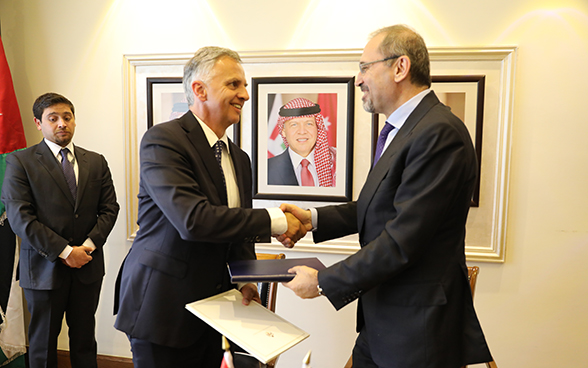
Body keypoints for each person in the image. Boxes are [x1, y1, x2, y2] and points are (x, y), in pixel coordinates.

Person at [279, 25, 493, 368]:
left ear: (400, 67)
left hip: (416, 332)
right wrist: (313, 219)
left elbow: (401, 240)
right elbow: (379, 206)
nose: (358, 80)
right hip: (384, 323)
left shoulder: (438, 133)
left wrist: (323, 281)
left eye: (365, 67)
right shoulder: (406, 129)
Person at [113, 46, 306, 368]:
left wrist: (245, 281)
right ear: (198, 90)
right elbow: (194, 220)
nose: (245, 94)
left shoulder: (240, 159)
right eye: (233, 85)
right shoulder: (164, 141)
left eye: (244, 86)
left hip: (216, 313)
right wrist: (278, 220)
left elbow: (237, 232)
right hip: (163, 309)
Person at [1, 92, 119, 368]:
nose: (61, 123)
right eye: (52, 118)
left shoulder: (96, 161)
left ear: (74, 121)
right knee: (42, 345)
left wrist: (86, 247)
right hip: (43, 269)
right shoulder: (21, 161)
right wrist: (65, 252)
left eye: (67, 117)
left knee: (84, 341)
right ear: (38, 123)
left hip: (87, 267)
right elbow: (20, 217)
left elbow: (110, 209)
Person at [268, 97, 336, 186]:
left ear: (318, 128)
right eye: (294, 125)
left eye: (309, 124)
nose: (302, 131)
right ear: (283, 131)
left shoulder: (337, 161)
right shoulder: (267, 169)